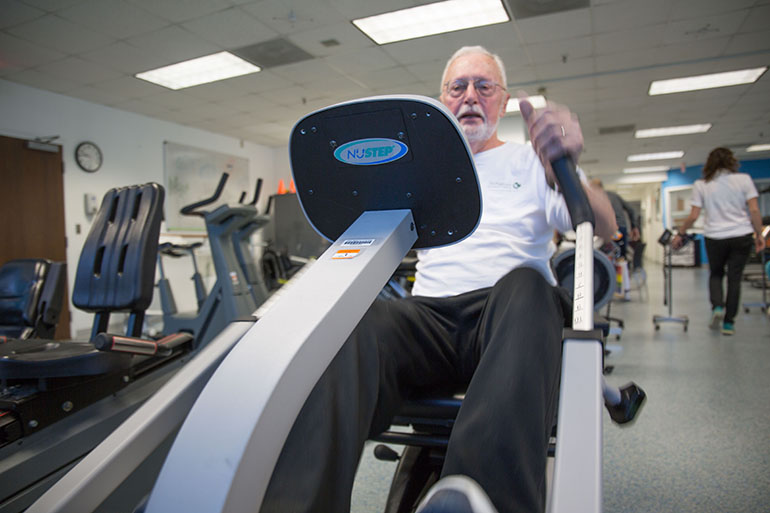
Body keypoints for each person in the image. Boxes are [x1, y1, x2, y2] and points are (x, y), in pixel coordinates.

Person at [260, 45, 616, 513]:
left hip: (507, 316)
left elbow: (604, 226)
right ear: (443, 101)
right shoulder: (423, 168)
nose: (470, 96)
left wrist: (565, 164)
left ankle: (482, 497)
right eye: (458, 87)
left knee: (530, 286)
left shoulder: (533, 161)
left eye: (483, 86)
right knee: (353, 324)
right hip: (428, 320)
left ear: (503, 101)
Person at [673, 147, 764, 335]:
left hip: (714, 236)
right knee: (734, 279)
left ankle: (717, 307)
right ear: (732, 161)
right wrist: (760, 235)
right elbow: (754, 211)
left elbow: (693, 215)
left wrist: (680, 233)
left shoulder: (702, 184)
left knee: (715, 274)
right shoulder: (744, 180)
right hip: (741, 235)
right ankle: (729, 323)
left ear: (709, 164)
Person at [590, 178, 640, 299]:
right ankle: (621, 290)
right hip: (621, 230)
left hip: (612, 230)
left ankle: (616, 289)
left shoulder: (597, 197)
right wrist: (634, 227)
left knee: (605, 259)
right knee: (620, 260)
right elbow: (631, 210)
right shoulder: (614, 195)